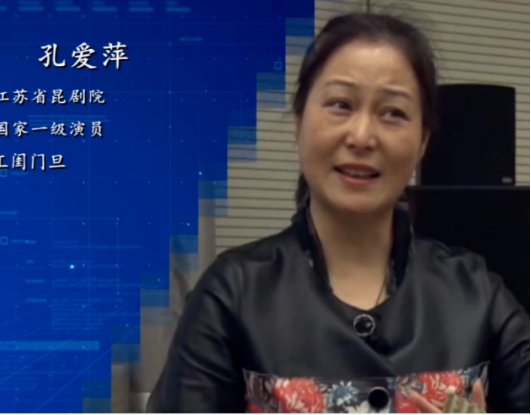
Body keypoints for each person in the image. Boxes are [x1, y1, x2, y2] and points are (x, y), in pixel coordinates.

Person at [147, 12, 530, 413]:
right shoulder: (232, 294)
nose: (361, 137)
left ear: (423, 142)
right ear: (299, 121)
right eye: (340, 104)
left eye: (393, 113)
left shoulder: (475, 293)